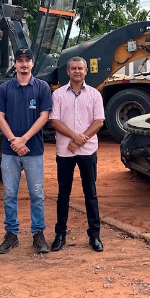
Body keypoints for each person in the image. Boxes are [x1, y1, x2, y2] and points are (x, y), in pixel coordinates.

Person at [0, 47, 53, 254]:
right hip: (10, 152)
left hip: (33, 150)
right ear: (15, 63)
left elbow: (44, 116)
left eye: (28, 60)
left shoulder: (42, 87)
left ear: (32, 64)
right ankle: (11, 234)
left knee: (36, 194)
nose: (24, 64)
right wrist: (13, 140)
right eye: (20, 60)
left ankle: (38, 234)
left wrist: (24, 139)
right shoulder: (5, 88)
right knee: (9, 194)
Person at [48, 56, 105, 252]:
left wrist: (81, 140)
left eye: (80, 68)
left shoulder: (95, 95)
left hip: (88, 150)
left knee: (91, 193)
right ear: (68, 71)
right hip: (65, 151)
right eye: (73, 68)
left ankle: (94, 235)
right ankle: (60, 234)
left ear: (86, 71)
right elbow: (54, 121)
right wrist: (74, 137)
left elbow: (98, 121)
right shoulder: (58, 95)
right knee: (63, 193)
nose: (77, 71)